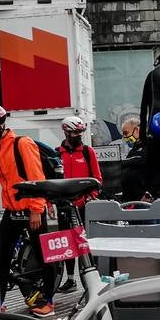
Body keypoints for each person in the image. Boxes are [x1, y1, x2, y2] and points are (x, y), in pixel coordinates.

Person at [0, 105, 56, 316]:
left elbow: (37, 177)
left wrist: (36, 209)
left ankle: (48, 301)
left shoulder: (22, 143)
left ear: (1, 121)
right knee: (2, 256)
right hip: (12, 211)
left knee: (44, 257)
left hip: (31, 209)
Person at [56, 116, 102, 293]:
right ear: (66, 132)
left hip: (84, 206)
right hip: (64, 206)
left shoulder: (87, 152)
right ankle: (69, 279)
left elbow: (97, 179)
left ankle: (91, 277)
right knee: (67, 245)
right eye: (75, 132)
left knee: (86, 244)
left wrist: (90, 196)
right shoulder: (57, 153)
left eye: (80, 132)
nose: (78, 136)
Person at [119, 115, 160, 202]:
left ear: (137, 130)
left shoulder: (152, 148)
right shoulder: (132, 151)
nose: (124, 137)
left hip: (147, 202)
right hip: (131, 202)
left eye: (126, 133)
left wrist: (149, 193)